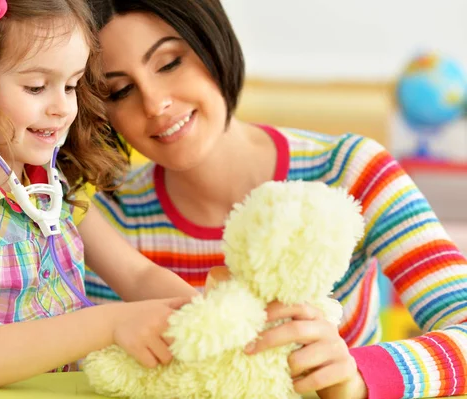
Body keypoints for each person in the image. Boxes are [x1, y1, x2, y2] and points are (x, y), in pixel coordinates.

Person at [83, 1, 467, 398]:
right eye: (120, 90)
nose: (155, 103)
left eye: (169, 63)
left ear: (214, 45)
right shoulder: (112, 221)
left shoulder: (350, 170)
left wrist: (359, 376)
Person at [0, 0, 199, 390]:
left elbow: (137, 274)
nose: (62, 108)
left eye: (72, 85)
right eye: (36, 87)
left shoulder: (55, 190)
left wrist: (205, 313)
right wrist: (112, 323)